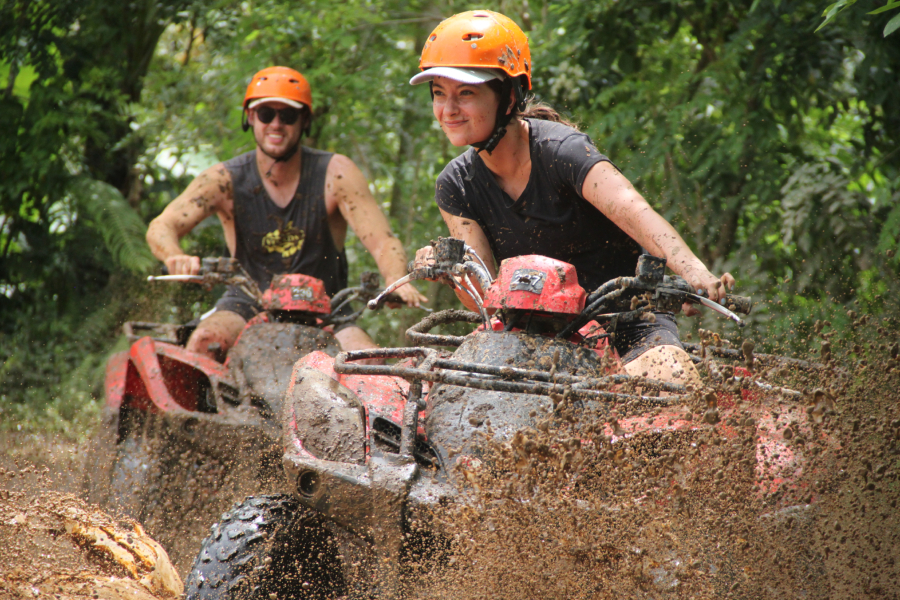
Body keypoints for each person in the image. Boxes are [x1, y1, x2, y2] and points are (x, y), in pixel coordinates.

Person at [408, 11, 734, 385]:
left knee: (671, 381)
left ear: (510, 96)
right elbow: (485, 295)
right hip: (534, 333)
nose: (448, 110)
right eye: (438, 94)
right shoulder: (456, 184)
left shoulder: (563, 151)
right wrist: (452, 272)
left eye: (465, 93)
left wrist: (692, 272)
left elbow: (635, 210)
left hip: (626, 320)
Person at [147, 66, 426, 360]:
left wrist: (396, 280)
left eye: (288, 115)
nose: (276, 124)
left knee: (368, 361)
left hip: (328, 306)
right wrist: (173, 256)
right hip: (247, 302)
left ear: (304, 120)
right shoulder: (223, 180)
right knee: (204, 340)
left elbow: (383, 241)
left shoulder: (337, 174)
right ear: (251, 117)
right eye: (267, 114)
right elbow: (162, 225)